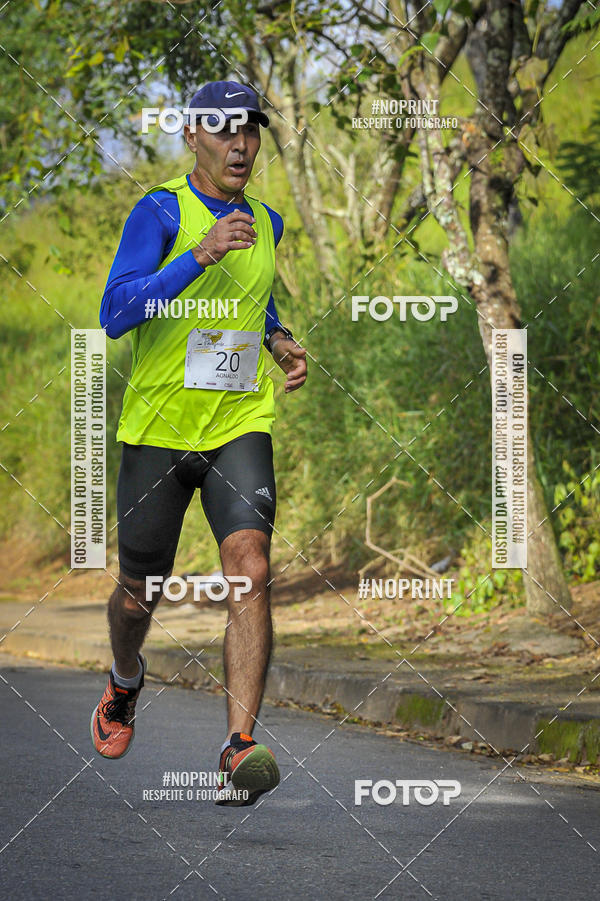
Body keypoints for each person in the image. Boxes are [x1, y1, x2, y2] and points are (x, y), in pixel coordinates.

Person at [91, 81, 307, 807]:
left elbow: (255, 295)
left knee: (250, 566)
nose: (240, 144)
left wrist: (277, 339)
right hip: (157, 432)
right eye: (224, 131)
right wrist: (199, 254)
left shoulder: (268, 220)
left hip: (238, 424)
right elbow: (117, 311)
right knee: (137, 593)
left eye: (251, 130)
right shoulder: (159, 211)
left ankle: (238, 745)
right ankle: (124, 682)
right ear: (194, 136)